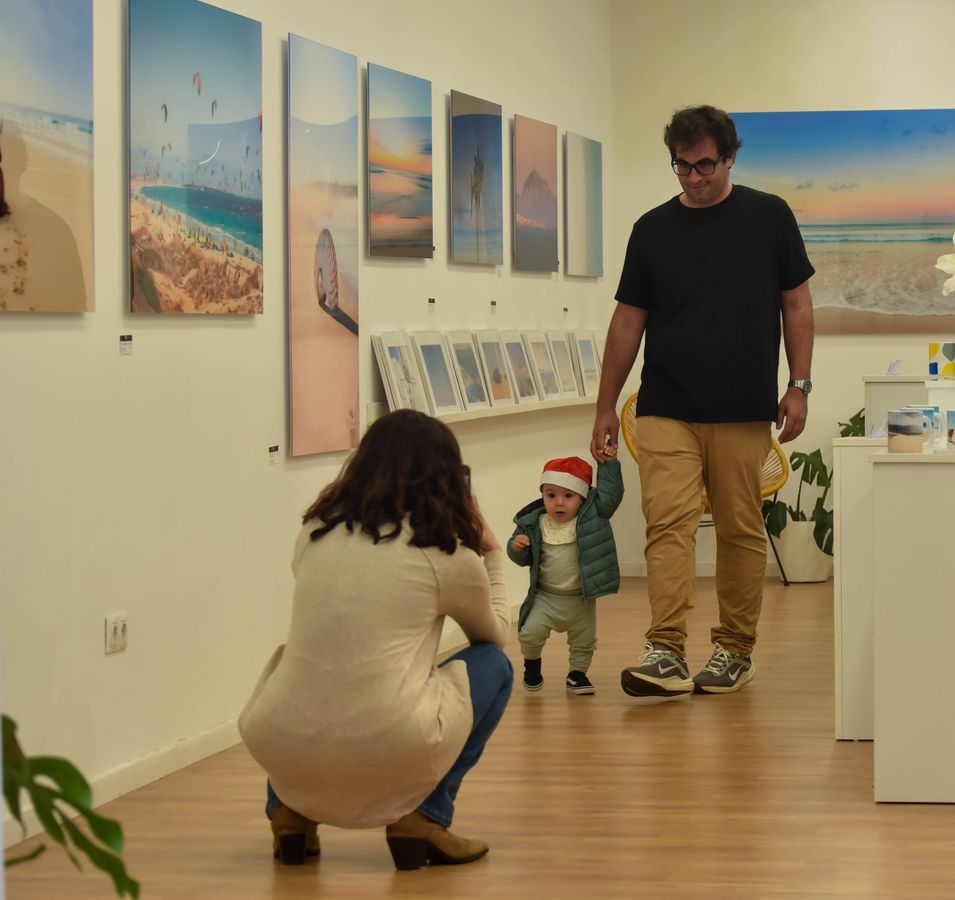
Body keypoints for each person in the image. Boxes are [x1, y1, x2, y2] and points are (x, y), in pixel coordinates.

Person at [591, 104, 815, 698]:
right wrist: (605, 406)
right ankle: (664, 651)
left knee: (741, 530)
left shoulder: (769, 217)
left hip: (743, 407)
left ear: (731, 157)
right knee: (668, 524)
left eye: (704, 165)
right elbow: (626, 323)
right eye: (681, 166)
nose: (693, 178)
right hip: (666, 404)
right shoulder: (651, 230)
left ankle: (734, 650)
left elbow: (797, 305)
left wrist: (800, 384)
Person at [238, 410, 515, 871]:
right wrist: (491, 552)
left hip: (276, 738)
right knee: (494, 666)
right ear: (448, 478)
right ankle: (425, 817)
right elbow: (495, 636)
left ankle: (290, 813)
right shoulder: (443, 552)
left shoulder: (314, 531)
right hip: (391, 739)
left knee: (307, 662)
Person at [506, 453, 623, 695]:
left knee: (584, 641)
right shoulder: (534, 523)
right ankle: (532, 667)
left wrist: (608, 464)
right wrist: (516, 547)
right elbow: (524, 559)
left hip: (581, 598)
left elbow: (611, 494)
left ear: (583, 498)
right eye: (551, 495)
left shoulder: (593, 516)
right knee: (529, 633)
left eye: (568, 496)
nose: (559, 502)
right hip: (545, 596)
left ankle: (577, 675)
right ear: (543, 496)